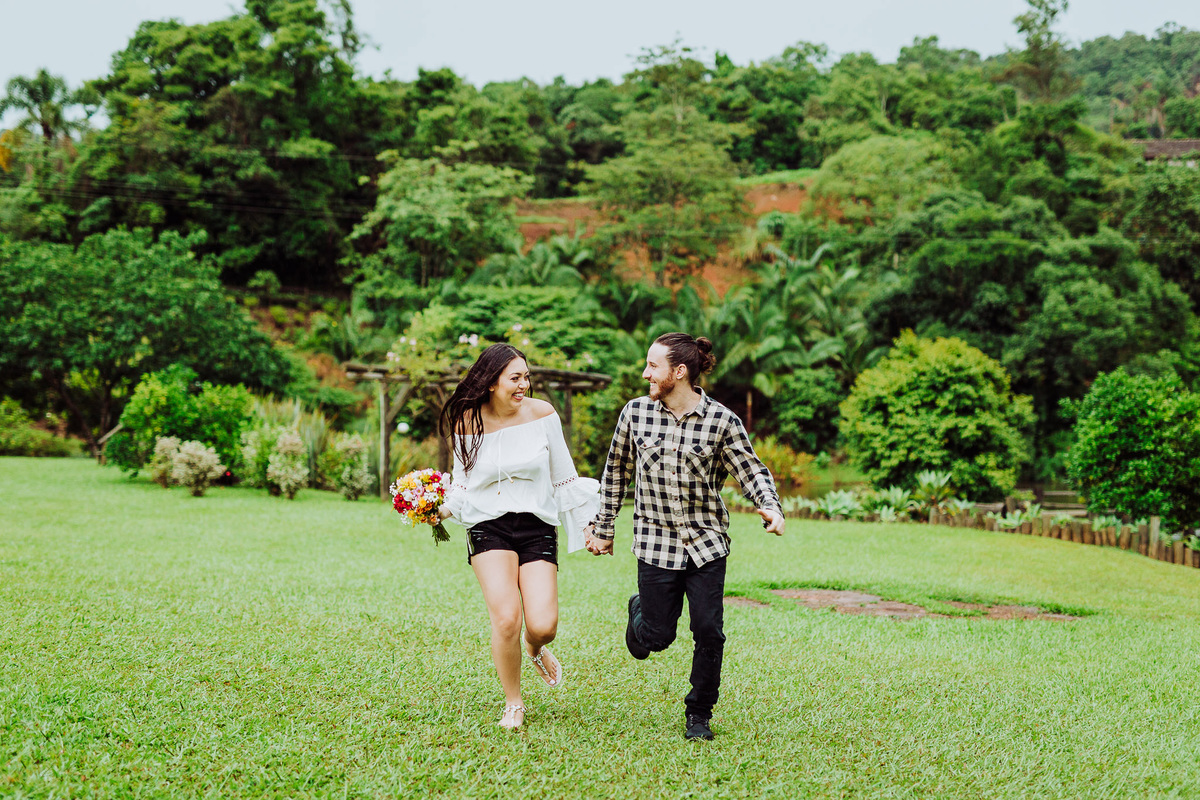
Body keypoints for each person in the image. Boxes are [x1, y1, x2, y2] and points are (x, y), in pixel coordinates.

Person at [585, 333, 784, 741]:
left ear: (679, 372)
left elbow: (752, 470)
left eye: (652, 366)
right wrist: (604, 530)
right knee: (655, 638)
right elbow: (616, 475)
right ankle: (639, 609)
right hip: (655, 542)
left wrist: (770, 505)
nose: (645, 373)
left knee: (709, 629)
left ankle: (699, 714)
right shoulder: (635, 414)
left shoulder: (722, 421)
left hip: (706, 541)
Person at [439, 343, 600, 730]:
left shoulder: (543, 414)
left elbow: (564, 477)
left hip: (536, 525)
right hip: (487, 525)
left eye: (526, 376)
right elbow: (461, 486)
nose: (524, 384)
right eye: (516, 378)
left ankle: (534, 648)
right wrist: (436, 509)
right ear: (492, 382)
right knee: (507, 618)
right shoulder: (466, 421)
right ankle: (514, 702)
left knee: (543, 625)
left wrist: (589, 528)